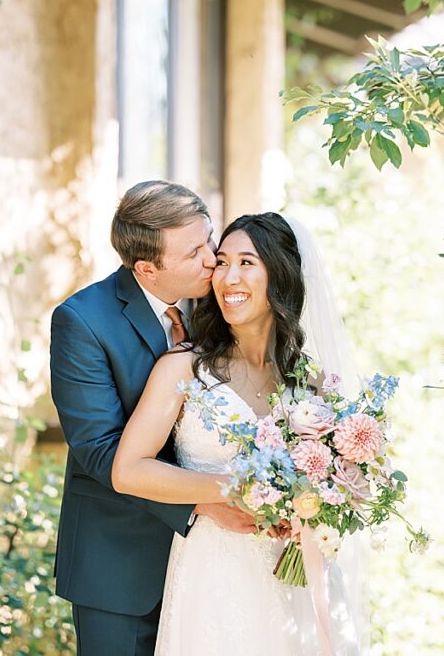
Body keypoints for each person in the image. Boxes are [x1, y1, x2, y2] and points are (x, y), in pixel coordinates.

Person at [112, 212, 363, 655]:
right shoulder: (184, 367)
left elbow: (340, 481)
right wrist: (237, 490)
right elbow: (128, 471)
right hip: (213, 579)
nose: (228, 277)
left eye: (247, 263)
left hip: (294, 576)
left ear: (280, 275)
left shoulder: (312, 382)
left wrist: (319, 504)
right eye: (221, 262)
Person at [50, 180, 257, 656]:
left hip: (218, 566)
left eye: (209, 238)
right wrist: (203, 503)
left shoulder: (222, 303)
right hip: (120, 564)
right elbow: (100, 452)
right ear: (147, 267)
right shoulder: (83, 322)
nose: (212, 259)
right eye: (194, 253)